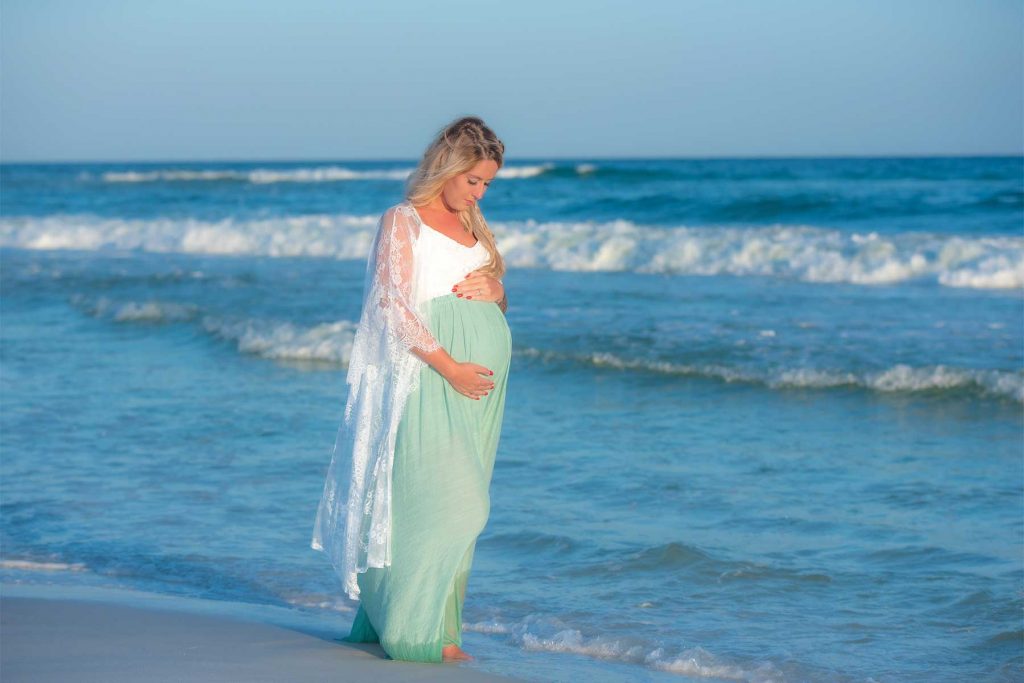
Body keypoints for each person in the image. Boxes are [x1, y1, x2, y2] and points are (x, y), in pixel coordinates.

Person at [310, 116, 511, 663]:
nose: (480, 191)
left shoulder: (474, 223)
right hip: (430, 375)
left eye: (488, 183)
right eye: (473, 180)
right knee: (451, 504)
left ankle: (441, 631)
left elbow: (487, 293)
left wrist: (497, 288)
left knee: (461, 502)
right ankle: (411, 631)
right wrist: (450, 367)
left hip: (482, 387)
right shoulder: (403, 220)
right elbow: (391, 306)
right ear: (446, 167)